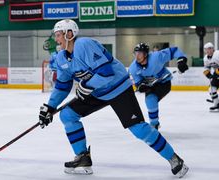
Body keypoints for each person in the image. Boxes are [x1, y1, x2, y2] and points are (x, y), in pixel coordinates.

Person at [38, 19, 188, 178]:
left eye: (58, 34)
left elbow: (106, 73)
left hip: (118, 88)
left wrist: (87, 85)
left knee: (138, 128)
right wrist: (50, 107)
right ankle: (83, 157)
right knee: (67, 114)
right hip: (97, 92)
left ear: (69, 34)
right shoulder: (61, 58)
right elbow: (62, 85)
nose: (56, 39)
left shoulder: (84, 45)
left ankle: (174, 159)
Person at [128, 43, 189, 129]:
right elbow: (138, 82)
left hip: (164, 83)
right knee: (150, 100)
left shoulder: (156, 57)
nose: (137, 56)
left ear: (145, 54)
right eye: (136, 53)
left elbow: (174, 50)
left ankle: (153, 124)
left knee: (151, 99)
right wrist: (141, 86)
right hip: (151, 86)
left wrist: (181, 61)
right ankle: (155, 124)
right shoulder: (133, 68)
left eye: (140, 53)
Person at [203, 42, 219, 110]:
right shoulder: (206, 58)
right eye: (206, 49)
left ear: (213, 49)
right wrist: (209, 75)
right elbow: (206, 68)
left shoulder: (218, 54)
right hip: (217, 74)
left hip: (217, 73)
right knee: (211, 88)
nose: (207, 51)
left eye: (209, 49)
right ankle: (216, 104)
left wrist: (216, 73)